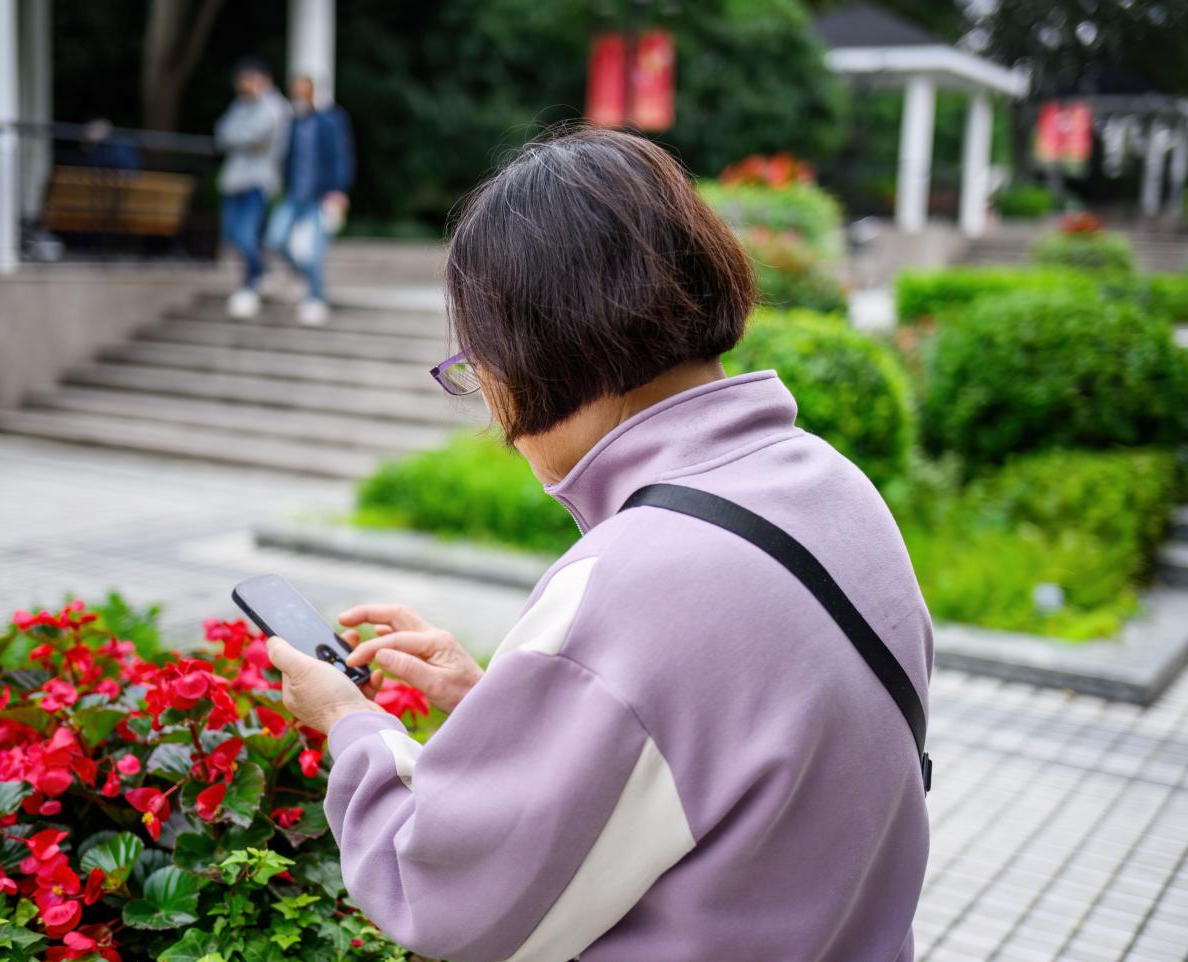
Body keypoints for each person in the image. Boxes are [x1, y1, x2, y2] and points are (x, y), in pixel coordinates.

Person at [265, 128, 933, 962]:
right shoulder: (833, 486)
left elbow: (438, 890)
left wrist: (349, 724)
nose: (496, 416)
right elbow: (732, 758)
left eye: (476, 363)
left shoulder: (631, 580)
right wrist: (502, 705)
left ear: (535, 343)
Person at [263, 74, 354, 326]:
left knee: (314, 251)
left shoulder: (331, 120)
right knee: (275, 238)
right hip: (295, 194)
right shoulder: (294, 122)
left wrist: (339, 190)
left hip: (321, 195)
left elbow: (340, 155)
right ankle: (303, 275)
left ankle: (316, 298)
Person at [214, 57, 291, 320]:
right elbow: (222, 133)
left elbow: (254, 136)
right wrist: (239, 137)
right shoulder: (240, 105)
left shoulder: (276, 107)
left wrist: (238, 136)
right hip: (234, 181)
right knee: (233, 236)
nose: (242, 86)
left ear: (260, 78)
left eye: (246, 79)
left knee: (245, 236)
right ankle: (261, 274)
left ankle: (251, 283)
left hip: (258, 182)